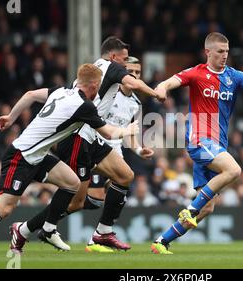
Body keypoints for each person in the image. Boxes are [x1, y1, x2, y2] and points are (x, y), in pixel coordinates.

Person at [0, 63, 139, 257]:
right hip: (21, 157)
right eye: (98, 88)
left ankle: (48, 228)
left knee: (72, 182)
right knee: (4, 209)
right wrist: (127, 131)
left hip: (39, 156)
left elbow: (30, 95)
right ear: (95, 86)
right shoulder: (84, 106)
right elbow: (108, 132)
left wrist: (11, 117)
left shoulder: (62, 91)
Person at [10, 37, 162, 253]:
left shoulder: (106, 81)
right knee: (76, 202)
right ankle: (26, 230)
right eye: (126, 62)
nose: (130, 72)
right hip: (77, 138)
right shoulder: (111, 70)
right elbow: (131, 85)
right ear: (113, 57)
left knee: (125, 176)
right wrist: (157, 93)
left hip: (93, 138)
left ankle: (103, 232)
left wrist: (136, 147)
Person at [151, 32, 243, 254]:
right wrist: (161, 90)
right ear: (208, 52)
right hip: (199, 140)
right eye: (220, 52)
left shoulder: (234, 76)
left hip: (217, 145)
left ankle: (161, 242)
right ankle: (190, 209)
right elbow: (168, 82)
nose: (224, 56)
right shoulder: (196, 73)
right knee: (234, 170)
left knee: (208, 208)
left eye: (227, 52)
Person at [84, 56, 155, 252]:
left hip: (115, 151)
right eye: (130, 72)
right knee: (93, 199)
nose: (134, 76)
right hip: (96, 146)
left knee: (119, 188)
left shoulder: (136, 103)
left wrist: (140, 149)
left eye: (138, 73)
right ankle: (47, 222)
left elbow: (129, 133)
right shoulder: (109, 93)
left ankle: (97, 237)